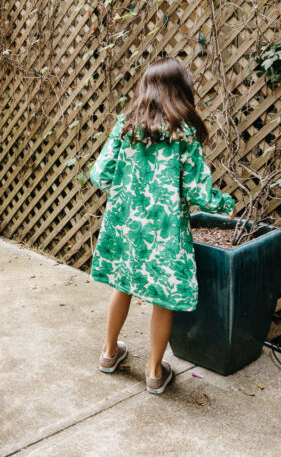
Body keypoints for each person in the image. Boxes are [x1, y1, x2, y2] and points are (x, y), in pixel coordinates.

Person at [89, 57, 235, 395]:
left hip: (125, 228)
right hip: (166, 232)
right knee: (163, 299)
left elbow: (100, 176)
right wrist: (225, 205)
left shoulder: (124, 126)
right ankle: (155, 372)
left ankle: (109, 354)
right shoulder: (183, 134)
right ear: (179, 91)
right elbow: (199, 191)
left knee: (122, 287)